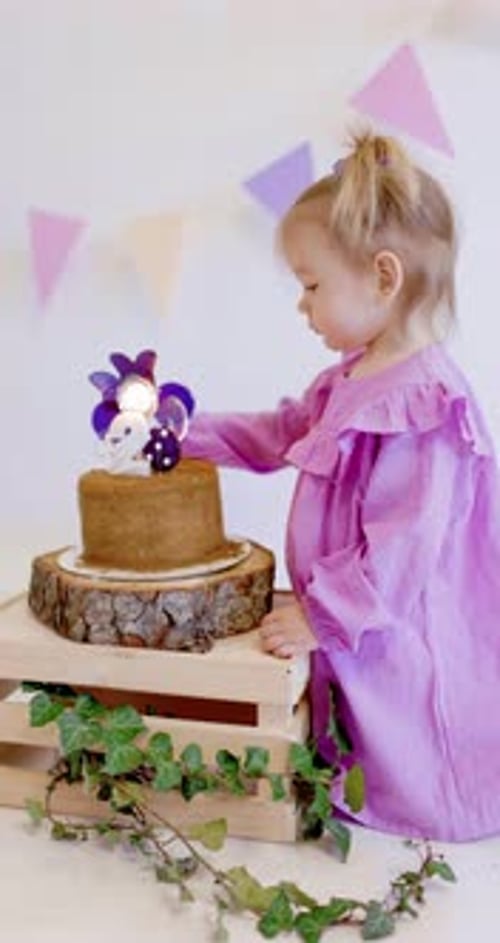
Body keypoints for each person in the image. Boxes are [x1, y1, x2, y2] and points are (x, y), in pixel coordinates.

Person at [184, 130, 500, 841]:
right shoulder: (352, 378)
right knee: (354, 716)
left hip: (397, 622)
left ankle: (438, 802)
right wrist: (184, 432)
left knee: (419, 726)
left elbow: (405, 545)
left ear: (383, 277)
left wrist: (325, 617)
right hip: (356, 618)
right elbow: (280, 432)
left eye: (312, 285)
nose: (303, 306)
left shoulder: (421, 402)